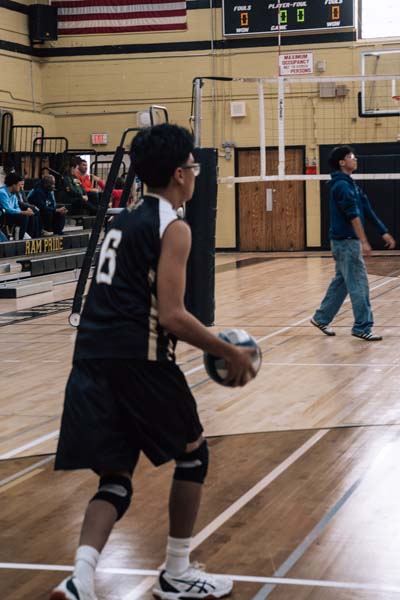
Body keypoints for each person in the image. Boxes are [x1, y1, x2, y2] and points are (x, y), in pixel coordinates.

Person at [50, 123, 256, 600]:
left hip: (90, 360)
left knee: (116, 478)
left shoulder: (122, 219)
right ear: (181, 174)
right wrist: (228, 351)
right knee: (193, 453)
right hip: (139, 360)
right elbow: (173, 315)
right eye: (195, 166)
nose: (197, 174)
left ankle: (80, 579)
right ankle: (177, 572)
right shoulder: (174, 226)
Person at [311, 145, 396, 341]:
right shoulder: (341, 186)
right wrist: (364, 241)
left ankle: (321, 317)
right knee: (359, 284)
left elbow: (367, 210)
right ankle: (362, 327)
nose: (355, 159)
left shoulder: (351, 185)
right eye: (351, 157)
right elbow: (353, 216)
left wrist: (383, 232)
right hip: (346, 243)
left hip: (346, 243)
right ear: (342, 162)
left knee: (342, 282)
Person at [0, 173, 35, 239]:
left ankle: (24, 234)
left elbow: (17, 207)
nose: (21, 187)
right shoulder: (2, 192)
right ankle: (19, 238)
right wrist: (23, 212)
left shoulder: (13, 194)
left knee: (30, 215)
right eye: (20, 185)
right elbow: (8, 209)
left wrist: (25, 212)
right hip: (2, 216)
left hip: (7, 215)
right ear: (13, 185)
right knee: (24, 216)